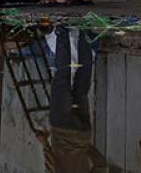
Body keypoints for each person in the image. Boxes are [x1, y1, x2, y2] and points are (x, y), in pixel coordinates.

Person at [35, 25, 106, 172]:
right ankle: (62, 30)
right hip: (62, 130)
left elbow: (101, 165)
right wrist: (44, 145)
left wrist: (84, 145)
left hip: (83, 133)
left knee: (81, 85)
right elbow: (52, 167)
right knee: (62, 78)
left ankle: (85, 32)